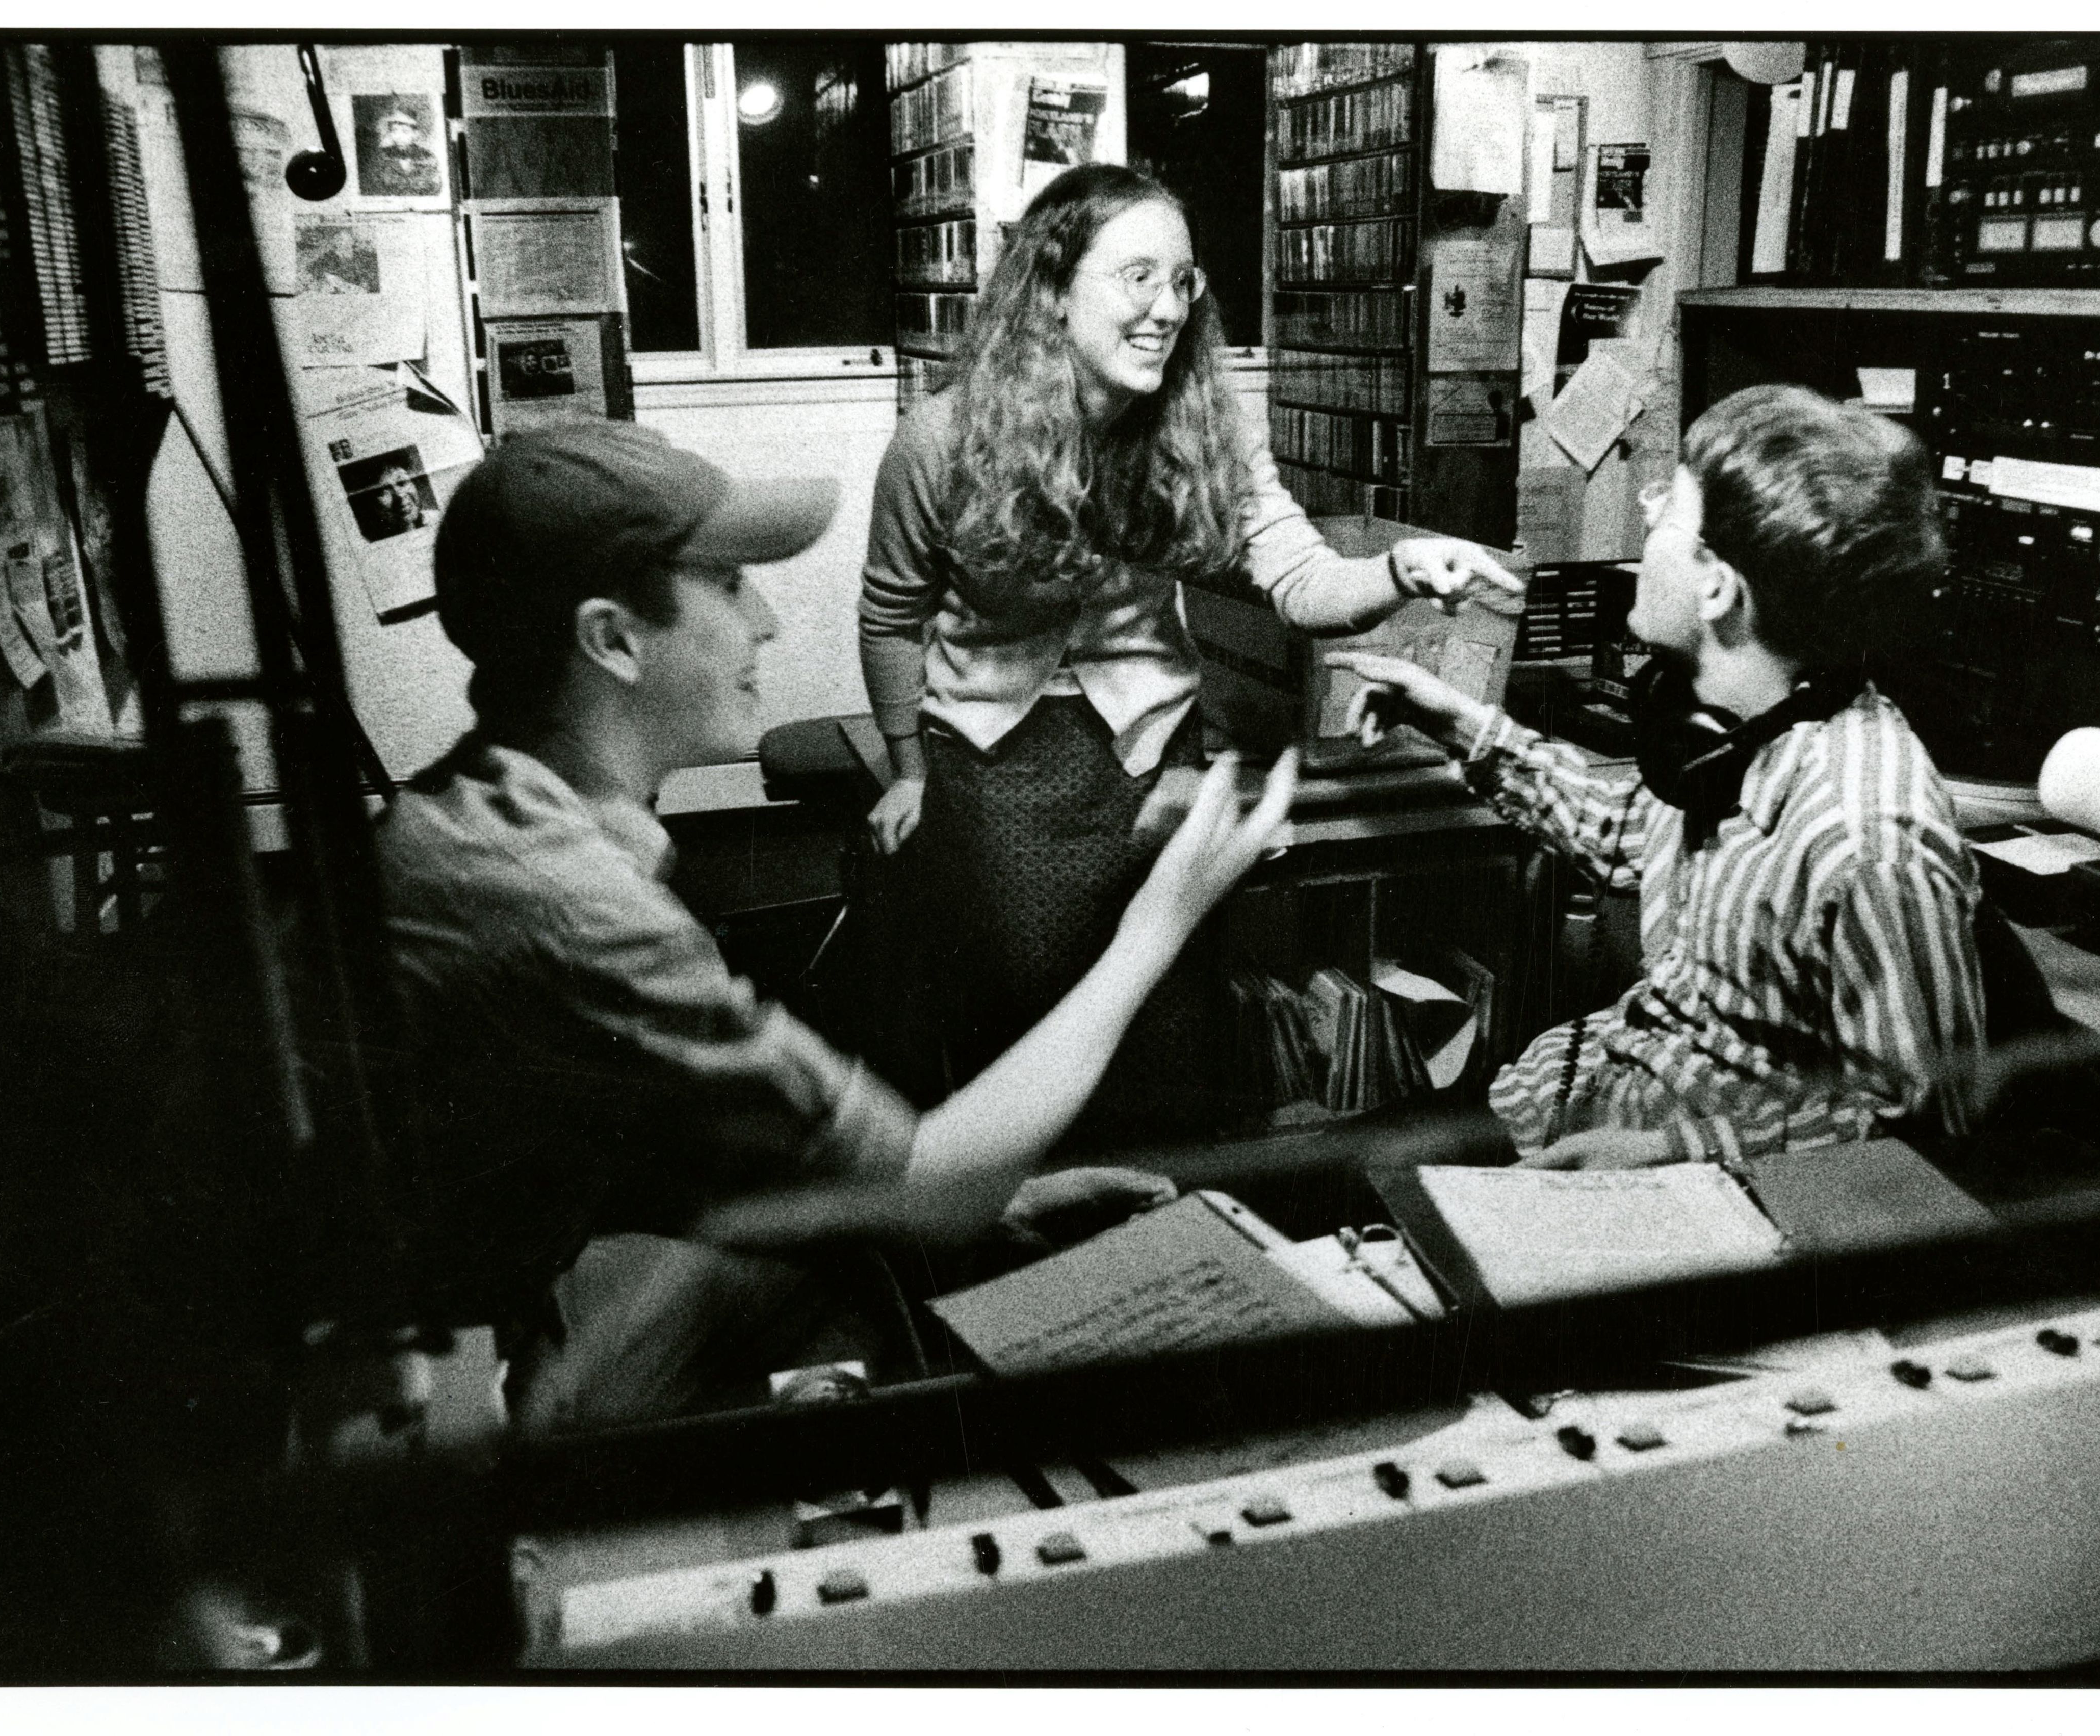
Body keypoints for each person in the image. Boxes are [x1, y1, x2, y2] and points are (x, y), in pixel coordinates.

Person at [376, 421, 1297, 1435]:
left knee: (851, 1266)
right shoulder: (565, 900)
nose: (766, 622)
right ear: (612, 639)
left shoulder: (507, 815)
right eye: (731, 584)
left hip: (484, 1303)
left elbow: (719, 1144)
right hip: (432, 1406)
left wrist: (989, 1198)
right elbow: (931, 1186)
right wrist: (1160, 920)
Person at [859, 162, 1521, 1140]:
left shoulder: (1203, 427)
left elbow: (1302, 579)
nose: (1168, 308)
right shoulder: (939, 440)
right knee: (1031, 1046)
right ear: (1053, 289)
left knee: (1168, 1039)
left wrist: (1399, 570)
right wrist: (909, 768)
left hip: (1154, 758)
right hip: (997, 768)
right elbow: (889, 615)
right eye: (1138, 277)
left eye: (1182, 280)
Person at [1333, 385, 1985, 1171]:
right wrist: (1454, 719)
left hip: (1674, 1180)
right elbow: (1622, 835)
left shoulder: (1868, 838)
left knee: (1340, 1191)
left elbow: (1921, 1122)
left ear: (1718, 586)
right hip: (1571, 1099)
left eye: (1666, 509)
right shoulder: (1727, 731)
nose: (1645, 525)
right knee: (1329, 1172)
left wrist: (1669, 1151)